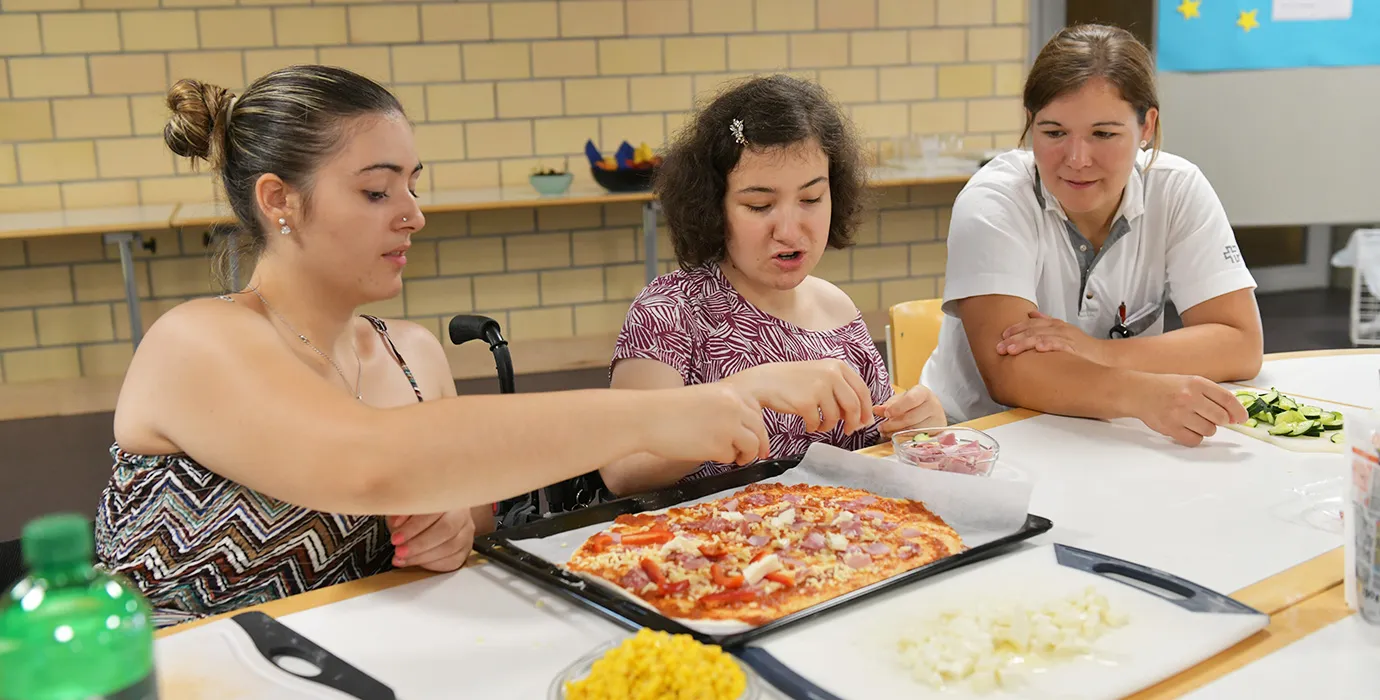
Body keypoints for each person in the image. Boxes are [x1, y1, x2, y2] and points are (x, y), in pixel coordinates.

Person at [95, 65, 778, 628]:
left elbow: (471, 511)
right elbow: (371, 460)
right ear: (282, 200)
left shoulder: (414, 354)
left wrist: (451, 530)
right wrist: (660, 415)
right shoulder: (196, 340)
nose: (413, 214)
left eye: (413, 184)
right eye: (375, 190)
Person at [601, 75, 947, 496]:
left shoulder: (835, 307)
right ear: (712, 206)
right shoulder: (671, 311)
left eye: (811, 199)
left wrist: (914, 429)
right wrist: (743, 393)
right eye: (759, 205)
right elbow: (623, 469)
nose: (789, 229)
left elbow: (870, 443)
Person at [921, 24, 1262, 446]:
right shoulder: (994, 201)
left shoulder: (1177, 187)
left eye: (1104, 134)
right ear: (1030, 126)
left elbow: (1240, 343)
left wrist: (1096, 351)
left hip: (1111, 434)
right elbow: (1012, 375)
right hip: (983, 440)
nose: (1077, 160)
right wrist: (1142, 392)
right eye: (1054, 133)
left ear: (1147, 126)